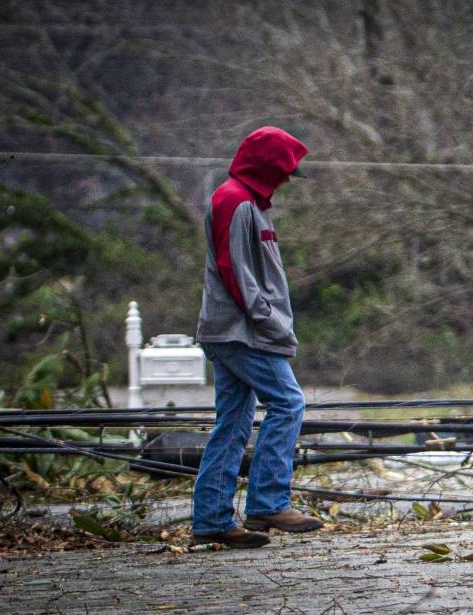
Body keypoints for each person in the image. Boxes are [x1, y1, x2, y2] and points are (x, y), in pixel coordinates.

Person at [191, 126, 324, 549]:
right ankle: (268, 501)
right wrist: (267, 319)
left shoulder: (249, 203)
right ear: (268, 167)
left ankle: (212, 520)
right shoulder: (235, 201)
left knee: (232, 423)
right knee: (289, 402)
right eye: (284, 171)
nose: (287, 180)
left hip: (237, 331)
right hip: (241, 333)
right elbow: (235, 270)